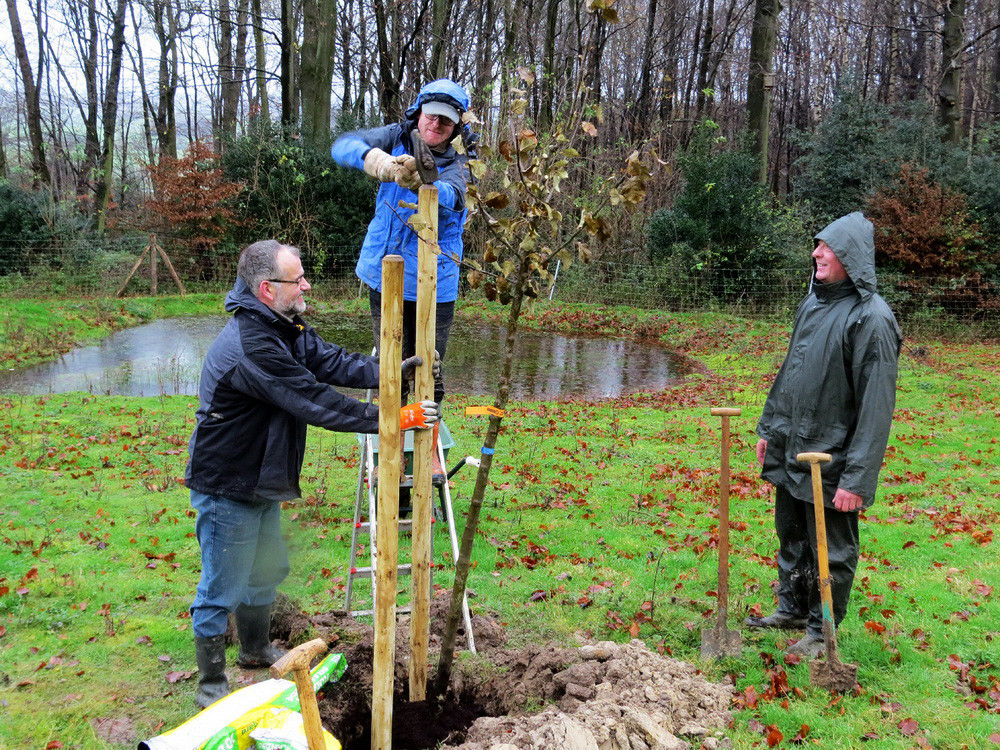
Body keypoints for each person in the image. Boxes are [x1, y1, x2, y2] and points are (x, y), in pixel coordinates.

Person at [185, 239, 438, 708]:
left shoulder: (284, 325)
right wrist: (394, 419)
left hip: (260, 475)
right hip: (228, 481)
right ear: (266, 289)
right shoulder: (253, 344)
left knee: (266, 569)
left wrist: (387, 371)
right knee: (222, 584)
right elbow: (315, 398)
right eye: (296, 278)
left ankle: (257, 651)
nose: (306, 284)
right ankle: (211, 686)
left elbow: (328, 361)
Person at [748, 212, 902, 658]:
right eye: (817, 245)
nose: (816, 253)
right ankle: (792, 609)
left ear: (851, 257)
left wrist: (857, 479)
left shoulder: (870, 318)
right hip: (794, 443)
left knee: (830, 548)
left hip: (832, 456)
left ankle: (821, 630)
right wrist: (769, 429)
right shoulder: (814, 302)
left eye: (827, 247)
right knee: (792, 533)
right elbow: (790, 372)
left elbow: (876, 408)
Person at [332, 79, 476, 486]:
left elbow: (455, 194)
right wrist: (375, 161)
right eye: (432, 116)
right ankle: (388, 447)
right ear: (419, 112)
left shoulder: (462, 158)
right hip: (385, 275)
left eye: (447, 122)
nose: (437, 126)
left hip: (436, 283)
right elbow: (341, 145)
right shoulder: (397, 135)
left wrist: (423, 184)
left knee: (430, 369)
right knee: (391, 366)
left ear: (456, 127)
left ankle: (427, 450)